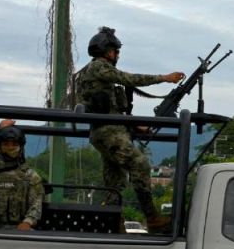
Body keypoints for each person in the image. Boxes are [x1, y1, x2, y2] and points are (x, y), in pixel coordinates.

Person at [74, 26, 184, 233]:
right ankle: (152, 218)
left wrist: (133, 124)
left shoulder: (94, 71)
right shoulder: (99, 67)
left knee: (114, 180)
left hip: (108, 130)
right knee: (139, 164)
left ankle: (114, 221)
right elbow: (130, 79)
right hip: (108, 132)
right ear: (108, 51)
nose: (117, 55)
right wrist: (164, 78)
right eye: (115, 51)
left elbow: (112, 109)